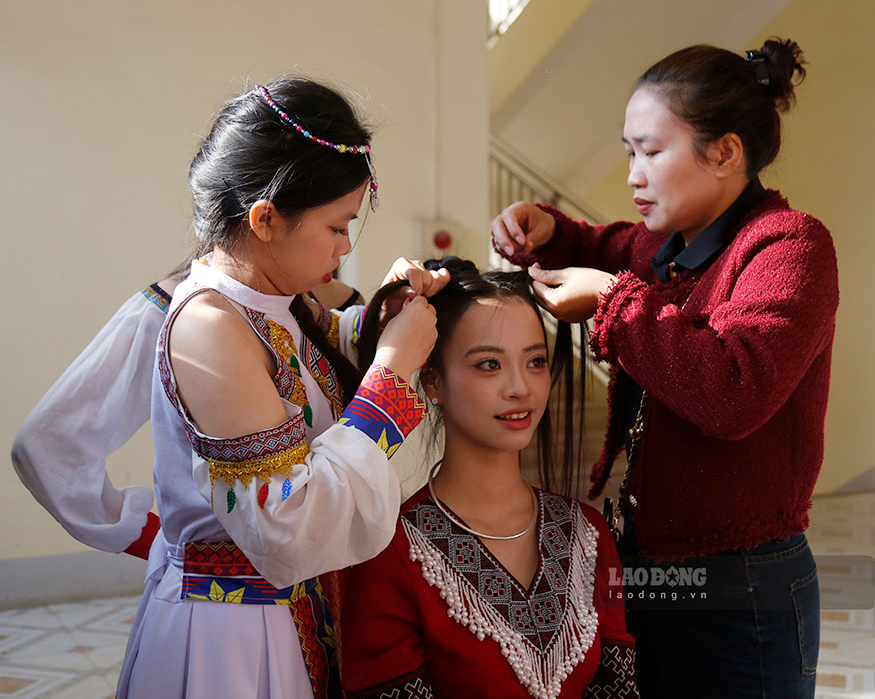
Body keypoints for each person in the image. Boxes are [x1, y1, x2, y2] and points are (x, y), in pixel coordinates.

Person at [491, 39, 838, 698]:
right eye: (628, 152)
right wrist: (542, 227)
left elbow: (736, 391)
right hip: (649, 562)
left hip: (742, 581)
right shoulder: (665, 245)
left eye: (650, 151)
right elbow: (604, 244)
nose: (632, 174)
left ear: (725, 153)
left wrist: (611, 301)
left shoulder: (788, 245)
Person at [113, 77, 449, 699]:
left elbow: (314, 375)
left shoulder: (274, 303)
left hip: (294, 611)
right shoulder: (210, 327)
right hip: (235, 633)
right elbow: (284, 520)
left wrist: (382, 315)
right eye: (337, 226)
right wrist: (395, 370)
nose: (348, 247)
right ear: (265, 219)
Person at [341, 258, 638, 699]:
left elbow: (618, 688)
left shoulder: (589, 535)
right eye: (488, 365)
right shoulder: (388, 551)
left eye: (535, 361)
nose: (521, 387)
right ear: (433, 381)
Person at [11, 261, 364, 561]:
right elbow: (46, 444)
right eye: (333, 224)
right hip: (232, 605)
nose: (343, 246)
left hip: (323, 592)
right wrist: (154, 541)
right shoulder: (178, 312)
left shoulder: (309, 305)